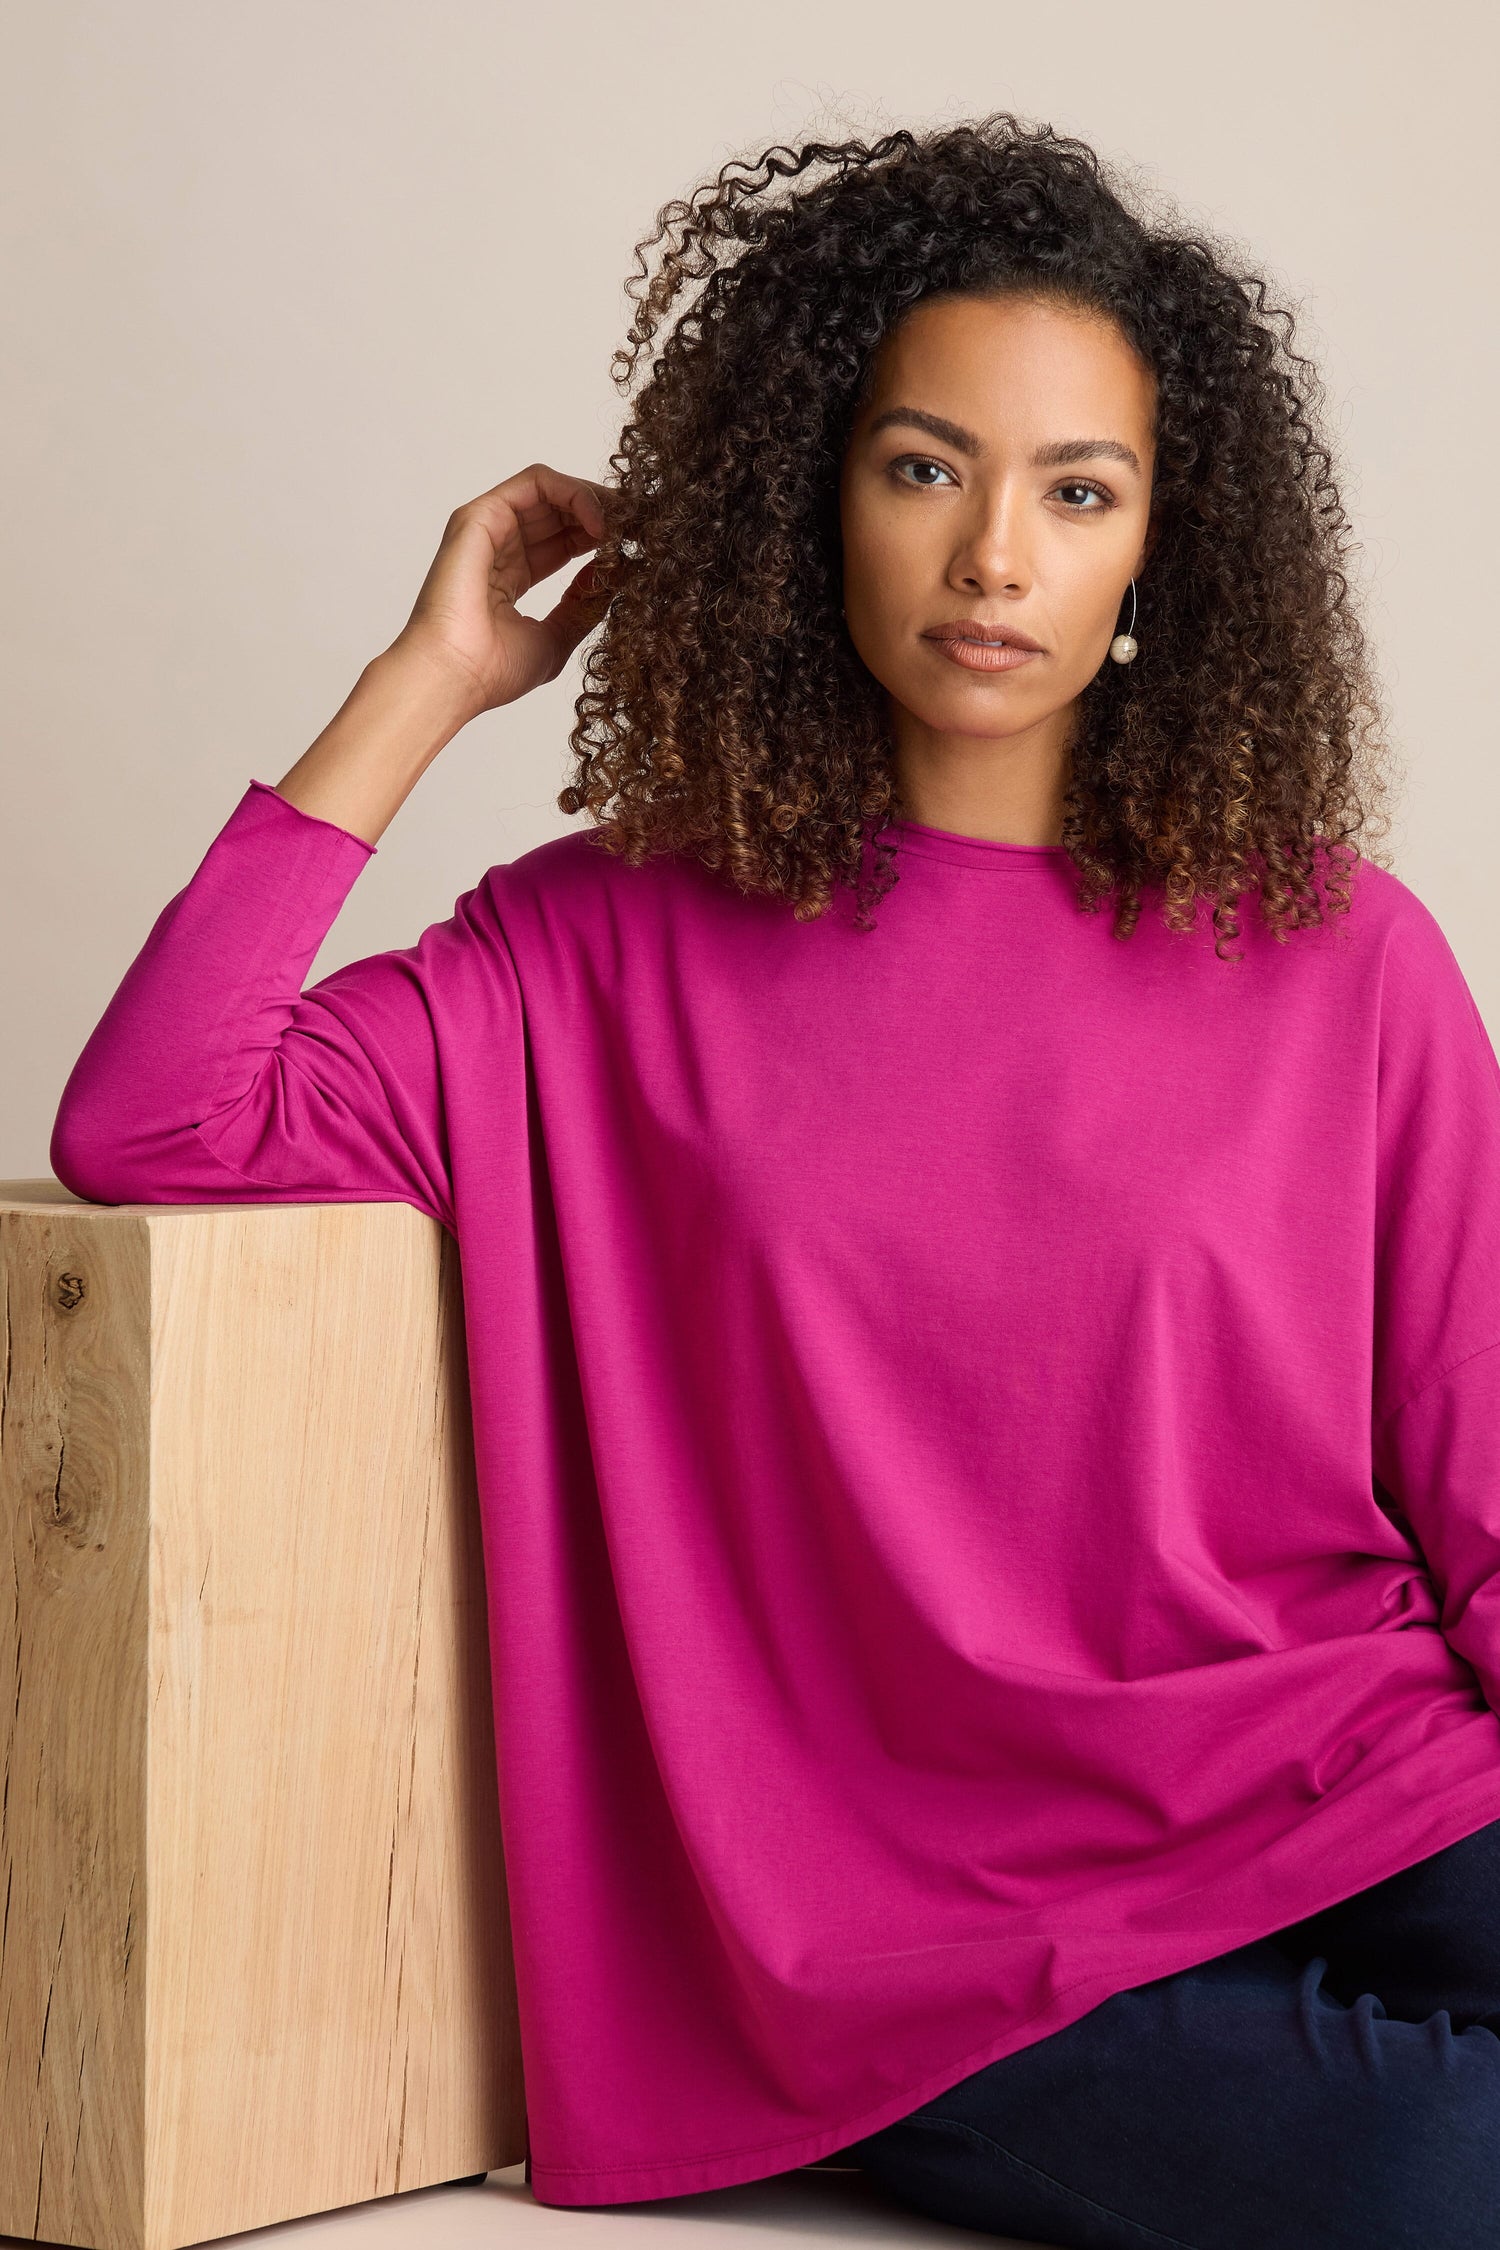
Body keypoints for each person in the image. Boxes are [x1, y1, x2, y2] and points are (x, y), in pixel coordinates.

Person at [48, 113, 1500, 2246]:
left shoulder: (1341, 948)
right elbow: (158, 1121)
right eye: (925, 467)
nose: (994, 556)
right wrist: (426, 679)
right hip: (912, 1948)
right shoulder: (590, 953)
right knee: (1446, 2177)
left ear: (1157, 555)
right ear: (810, 494)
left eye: (1076, 492)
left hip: (1343, 1780)